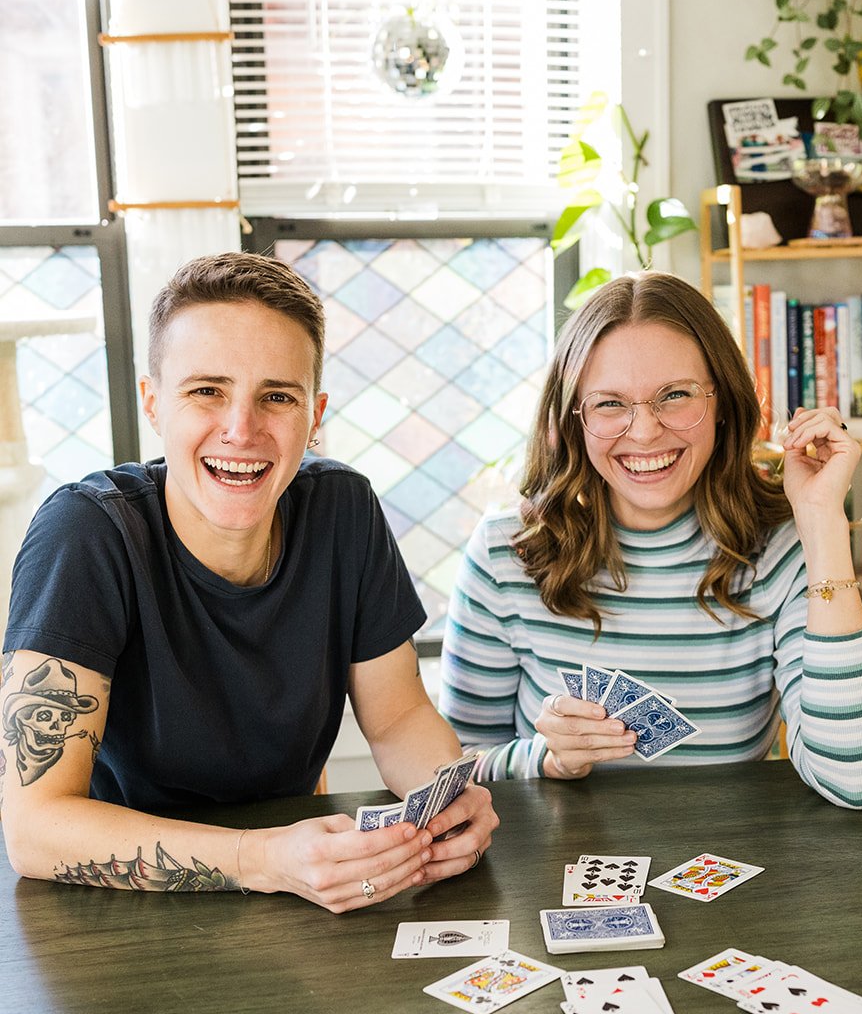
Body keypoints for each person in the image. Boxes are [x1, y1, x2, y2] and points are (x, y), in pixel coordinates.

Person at [1, 252, 497, 911]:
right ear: (153, 403)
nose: (241, 429)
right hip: (111, 898)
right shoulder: (86, 532)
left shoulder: (343, 508)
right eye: (206, 390)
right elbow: (34, 831)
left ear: (314, 414)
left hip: (299, 886)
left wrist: (446, 801)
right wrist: (263, 858)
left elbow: (398, 716)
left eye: (277, 396)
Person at [439, 272, 862, 808]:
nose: (644, 432)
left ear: (725, 401)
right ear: (574, 419)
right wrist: (544, 758)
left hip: (735, 866)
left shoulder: (781, 550)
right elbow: (452, 769)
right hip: (554, 872)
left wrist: (821, 523)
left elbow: (858, 780)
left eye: (675, 395)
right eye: (610, 404)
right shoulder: (507, 554)